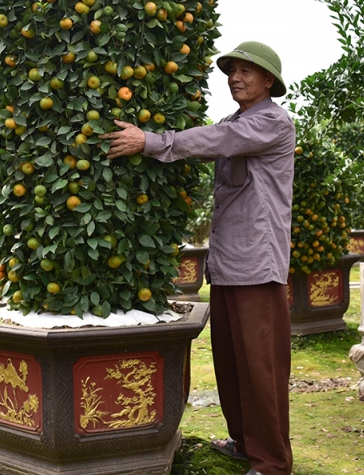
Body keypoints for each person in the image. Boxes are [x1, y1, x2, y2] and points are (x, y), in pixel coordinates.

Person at [102, 41, 295, 475]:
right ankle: (245, 442)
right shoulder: (238, 119)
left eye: (248, 71)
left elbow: (218, 139)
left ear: (269, 81)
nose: (236, 77)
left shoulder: (272, 122)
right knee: (229, 359)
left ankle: (272, 461)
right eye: (232, 70)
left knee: (261, 366)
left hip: (257, 265)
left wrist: (149, 140)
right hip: (228, 262)